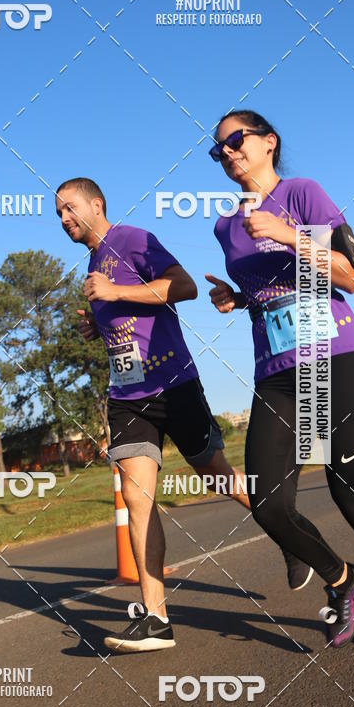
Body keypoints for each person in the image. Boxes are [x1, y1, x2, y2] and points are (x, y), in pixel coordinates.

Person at [55, 176, 308, 653]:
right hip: (128, 395)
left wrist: (115, 293)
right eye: (58, 214)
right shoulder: (93, 262)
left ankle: (291, 536)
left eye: (70, 208)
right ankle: (155, 618)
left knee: (217, 477)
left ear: (97, 203)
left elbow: (184, 286)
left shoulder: (131, 239)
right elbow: (126, 312)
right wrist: (98, 323)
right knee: (135, 494)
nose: (64, 219)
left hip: (174, 384)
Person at [207, 109, 354, 654]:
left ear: (269, 142)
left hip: (334, 356)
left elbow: (352, 274)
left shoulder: (302, 195)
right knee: (269, 503)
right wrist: (236, 297)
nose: (226, 152)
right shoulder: (224, 226)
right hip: (275, 372)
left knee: (351, 493)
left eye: (236, 140)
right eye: (217, 149)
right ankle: (345, 581)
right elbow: (267, 293)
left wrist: (290, 235)